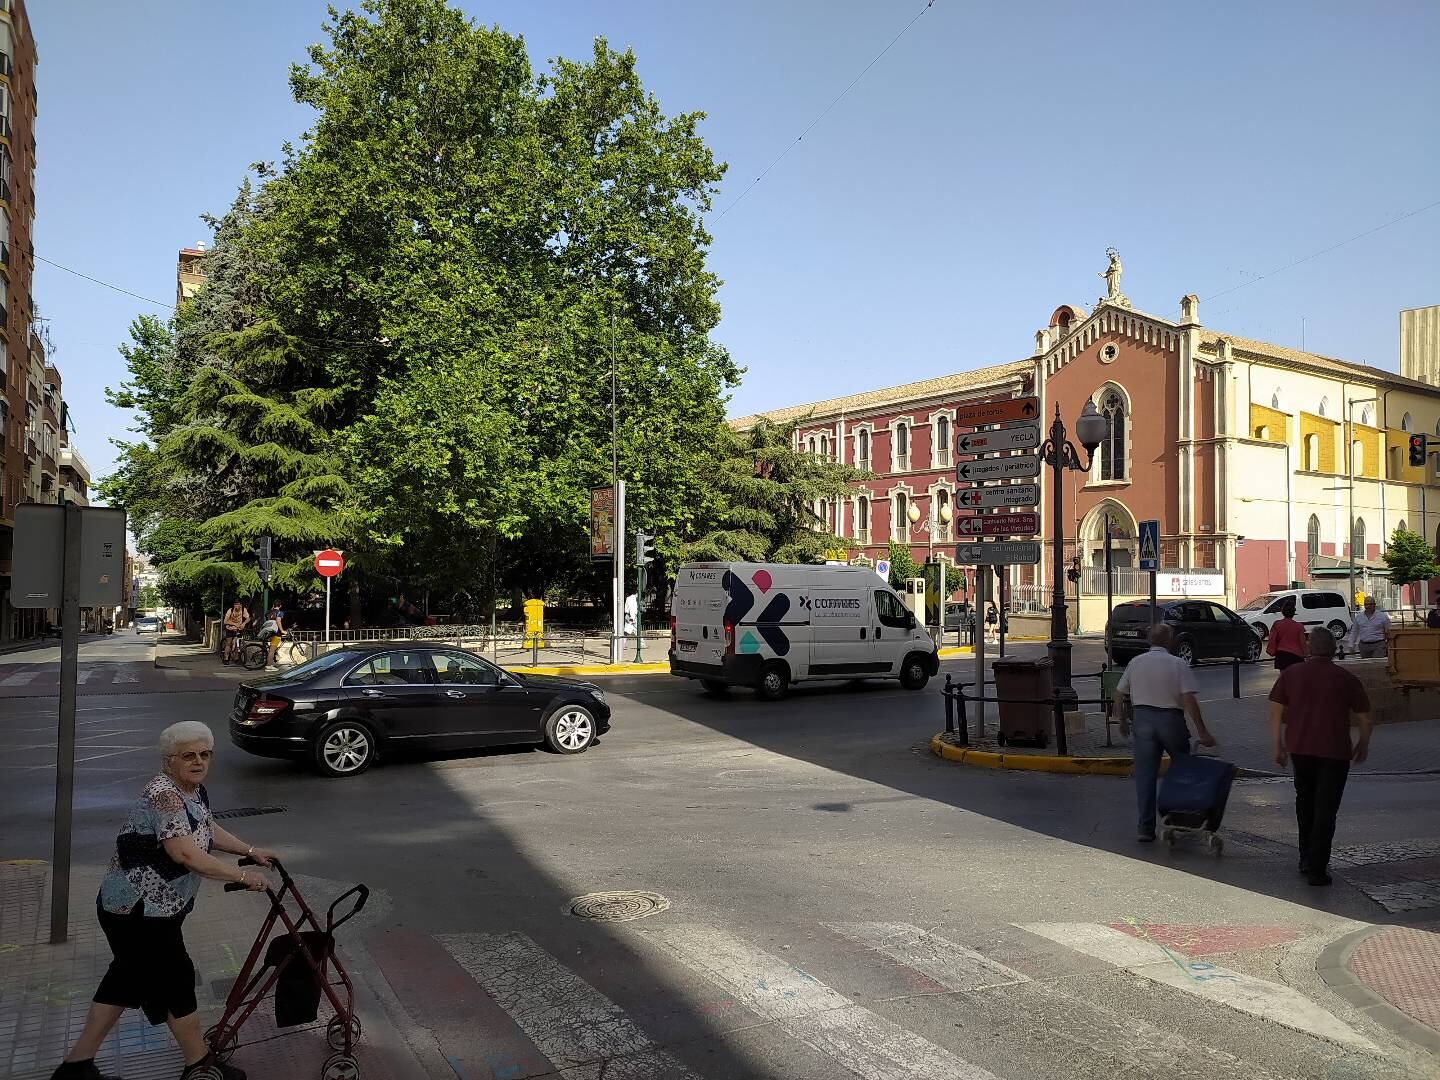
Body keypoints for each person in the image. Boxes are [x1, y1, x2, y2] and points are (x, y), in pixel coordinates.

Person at [49, 722, 277, 1080]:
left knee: (125, 980)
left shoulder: (192, 791)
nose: (198, 761)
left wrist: (250, 850)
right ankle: (199, 1064)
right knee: (175, 980)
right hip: (137, 911)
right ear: (169, 761)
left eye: (205, 754)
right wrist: (244, 876)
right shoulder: (164, 795)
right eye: (189, 755)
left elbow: (206, 829)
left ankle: (76, 1067)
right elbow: (185, 853)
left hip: (150, 909)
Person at [1269, 628, 1373, 886]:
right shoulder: (1346, 678)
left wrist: (1279, 746)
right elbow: (1365, 718)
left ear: (1309, 647)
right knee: (1326, 809)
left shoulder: (1291, 674)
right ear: (1332, 648)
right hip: (1335, 752)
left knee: (1305, 803)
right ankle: (1317, 867)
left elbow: (1275, 713)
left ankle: (1305, 857)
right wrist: (1363, 743)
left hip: (1300, 749)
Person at [1115, 623, 1218, 842]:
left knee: (1145, 776)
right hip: (1170, 720)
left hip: (1142, 720)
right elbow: (1189, 700)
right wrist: (1203, 732)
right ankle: (1182, 819)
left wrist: (1122, 720)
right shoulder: (1178, 663)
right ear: (1169, 641)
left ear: (1149, 641)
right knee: (1184, 770)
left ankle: (1145, 828)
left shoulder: (1136, 662)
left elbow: (1119, 692)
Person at [1265, 598, 1307, 670]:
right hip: (1296, 657)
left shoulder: (1277, 624)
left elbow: (1272, 639)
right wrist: (1306, 654)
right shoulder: (1299, 626)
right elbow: (1302, 643)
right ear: (1293, 612)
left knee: (1284, 678)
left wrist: (1271, 651)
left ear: (1283, 612)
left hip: (1282, 656)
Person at [258, 604, 285, 671]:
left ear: (273, 605)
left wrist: (272, 608)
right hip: (276, 633)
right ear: (280, 605)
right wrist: (282, 630)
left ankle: (271, 663)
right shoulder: (280, 612)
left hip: (269, 633)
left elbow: (267, 616)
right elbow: (278, 621)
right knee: (272, 651)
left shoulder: (269, 612)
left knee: (272, 650)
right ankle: (269, 666)